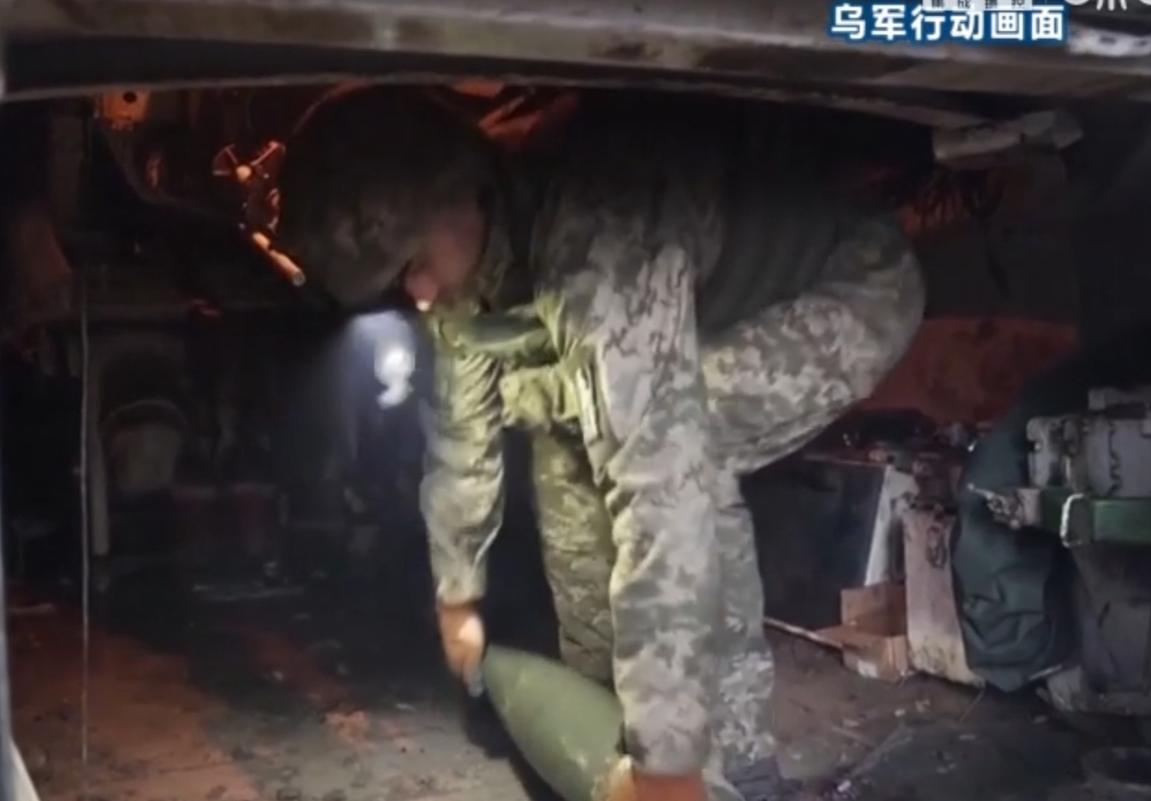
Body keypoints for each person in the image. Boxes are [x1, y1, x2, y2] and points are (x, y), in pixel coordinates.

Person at [276, 86, 925, 801]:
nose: (422, 293)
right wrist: (457, 593)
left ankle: (735, 764)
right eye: (403, 282)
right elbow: (462, 444)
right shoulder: (469, 266)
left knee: (683, 446)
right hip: (691, 314)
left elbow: (660, 497)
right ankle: (610, 715)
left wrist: (667, 760)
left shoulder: (598, 240)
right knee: (569, 452)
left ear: (465, 189)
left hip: (843, 291)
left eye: (415, 264)